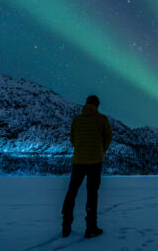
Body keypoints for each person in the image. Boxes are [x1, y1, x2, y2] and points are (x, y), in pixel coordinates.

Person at [61, 95, 113, 238]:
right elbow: (109, 137)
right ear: (97, 105)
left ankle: (66, 224)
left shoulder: (77, 120)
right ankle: (91, 227)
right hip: (95, 161)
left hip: (79, 161)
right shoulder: (101, 119)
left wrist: (81, 148)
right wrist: (101, 150)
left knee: (72, 191)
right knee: (92, 193)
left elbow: (72, 139)